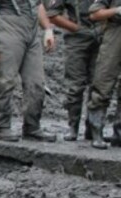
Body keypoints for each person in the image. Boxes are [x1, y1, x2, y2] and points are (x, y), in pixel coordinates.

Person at [0, 0, 58, 142]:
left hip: (32, 34)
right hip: (9, 31)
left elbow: (37, 5)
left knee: (36, 82)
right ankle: (2, 126)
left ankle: (32, 127)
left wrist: (47, 29)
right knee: (6, 80)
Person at [47, 0, 102, 141]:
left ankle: (93, 128)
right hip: (76, 40)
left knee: (98, 84)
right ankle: (73, 127)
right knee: (75, 85)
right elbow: (52, 14)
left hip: (101, 37)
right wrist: (75, 28)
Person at [85, 0, 121, 149]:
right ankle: (96, 132)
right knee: (103, 82)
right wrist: (117, 10)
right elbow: (94, 14)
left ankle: (119, 135)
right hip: (115, 32)